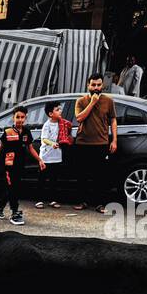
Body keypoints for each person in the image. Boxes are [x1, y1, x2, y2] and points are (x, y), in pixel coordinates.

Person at [0, 105, 43, 226]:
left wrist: (40, 160)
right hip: (9, 166)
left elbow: (31, 148)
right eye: (18, 117)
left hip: (20, 165)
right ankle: (15, 213)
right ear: (13, 118)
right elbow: (0, 149)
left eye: (23, 117)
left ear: (25, 118)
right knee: (13, 189)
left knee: (12, 188)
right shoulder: (8, 132)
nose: (20, 120)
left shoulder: (27, 132)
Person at [73, 73, 117, 213]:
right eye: (93, 85)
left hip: (101, 143)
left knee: (100, 176)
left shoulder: (108, 101)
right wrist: (92, 102)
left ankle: (100, 204)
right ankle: (82, 201)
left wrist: (114, 140)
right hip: (83, 143)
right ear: (88, 85)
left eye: (99, 85)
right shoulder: (81, 101)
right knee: (82, 175)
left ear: (102, 85)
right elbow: (79, 118)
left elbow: (113, 120)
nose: (96, 88)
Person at [35, 101, 66, 209]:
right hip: (45, 157)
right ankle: (39, 200)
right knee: (42, 179)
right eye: (57, 109)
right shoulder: (47, 125)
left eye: (60, 109)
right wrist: (52, 143)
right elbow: (44, 139)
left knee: (54, 179)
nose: (60, 111)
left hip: (56, 157)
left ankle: (53, 199)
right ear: (50, 114)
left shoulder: (61, 123)